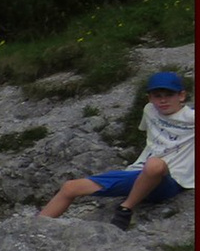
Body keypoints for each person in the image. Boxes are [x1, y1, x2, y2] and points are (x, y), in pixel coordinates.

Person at [39, 71, 194, 228]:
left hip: (171, 179)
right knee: (70, 187)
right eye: (157, 95)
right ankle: (33, 228)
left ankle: (125, 209)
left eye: (169, 94)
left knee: (155, 164)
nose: (163, 100)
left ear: (181, 96)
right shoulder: (150, 110)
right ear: (150, 98)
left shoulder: (191, 117)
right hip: (139, 174)